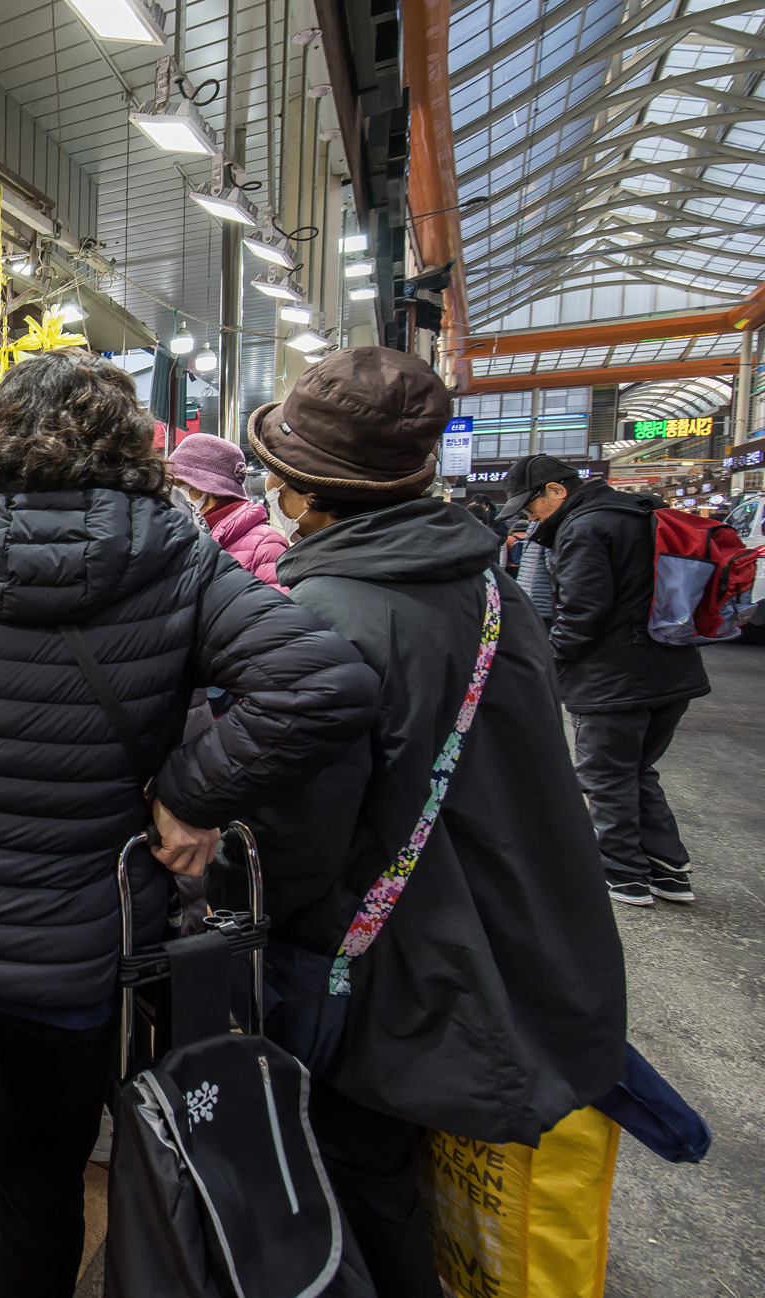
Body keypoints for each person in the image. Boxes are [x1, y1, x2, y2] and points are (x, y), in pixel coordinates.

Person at [0, 350, 380, 1298]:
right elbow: (324, 683)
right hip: (71, 946)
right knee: (38, 1174)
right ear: (133, 448)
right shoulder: (181, 561)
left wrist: (185, 789)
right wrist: (191, 791)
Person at [246, 350, 626, 1298]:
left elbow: (302, 842)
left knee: (362, 1175)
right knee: (400, 1167)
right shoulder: (489, 587)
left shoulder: (331, 614)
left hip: (393, 956)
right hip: (499, 929)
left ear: (305, 493)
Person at [499, 453, 711, 905]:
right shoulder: (643, 512)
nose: (530, 517)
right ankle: (668, 868)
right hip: (672, 667)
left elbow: (581, 612)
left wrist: (549, 663)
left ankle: (622, 872)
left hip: (614, 677)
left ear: (556, 490)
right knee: (636, 769)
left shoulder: (585, 527)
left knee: (606, 776)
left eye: (530, 506)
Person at [167, 430, 288, 583]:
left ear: (206, 490)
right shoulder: (181, 533)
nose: (172, 494)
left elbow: (273, 597)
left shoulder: (267, 544)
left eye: (178, 486)